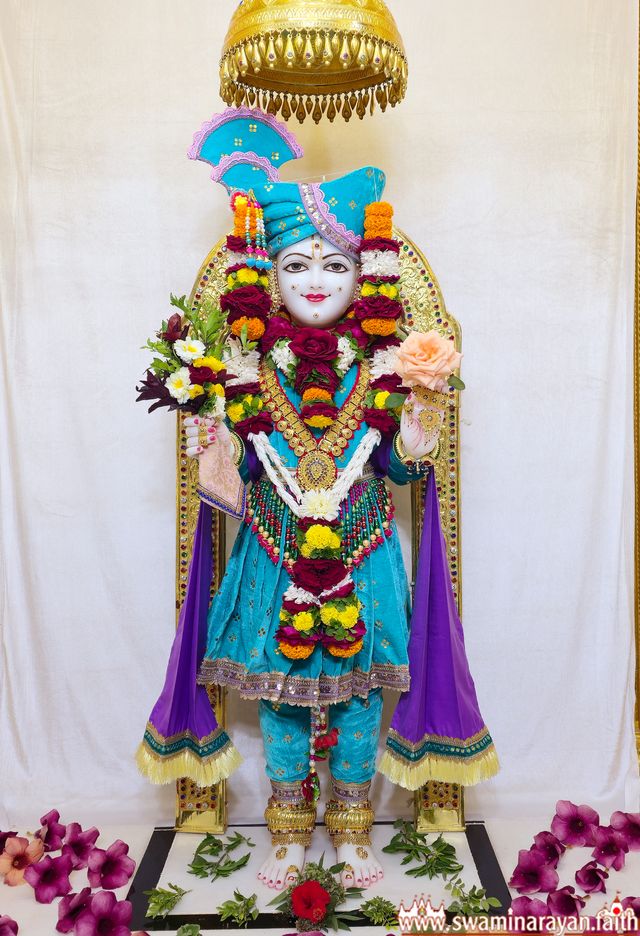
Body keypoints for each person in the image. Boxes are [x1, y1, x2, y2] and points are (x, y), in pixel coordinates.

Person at [136, 107, 499, 894]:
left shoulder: (385, 366)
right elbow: (233, 482)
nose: (315, 280)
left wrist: (419, 423)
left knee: (362, 701)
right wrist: (209, 429)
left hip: (363, 551)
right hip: (273, 553)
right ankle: (289, 836)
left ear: (364, 277)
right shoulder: (245, 368)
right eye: (296, 264)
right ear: (267, 277)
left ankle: (354, 833)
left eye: (335, 265)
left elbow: (400, 471)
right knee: (280, 703)